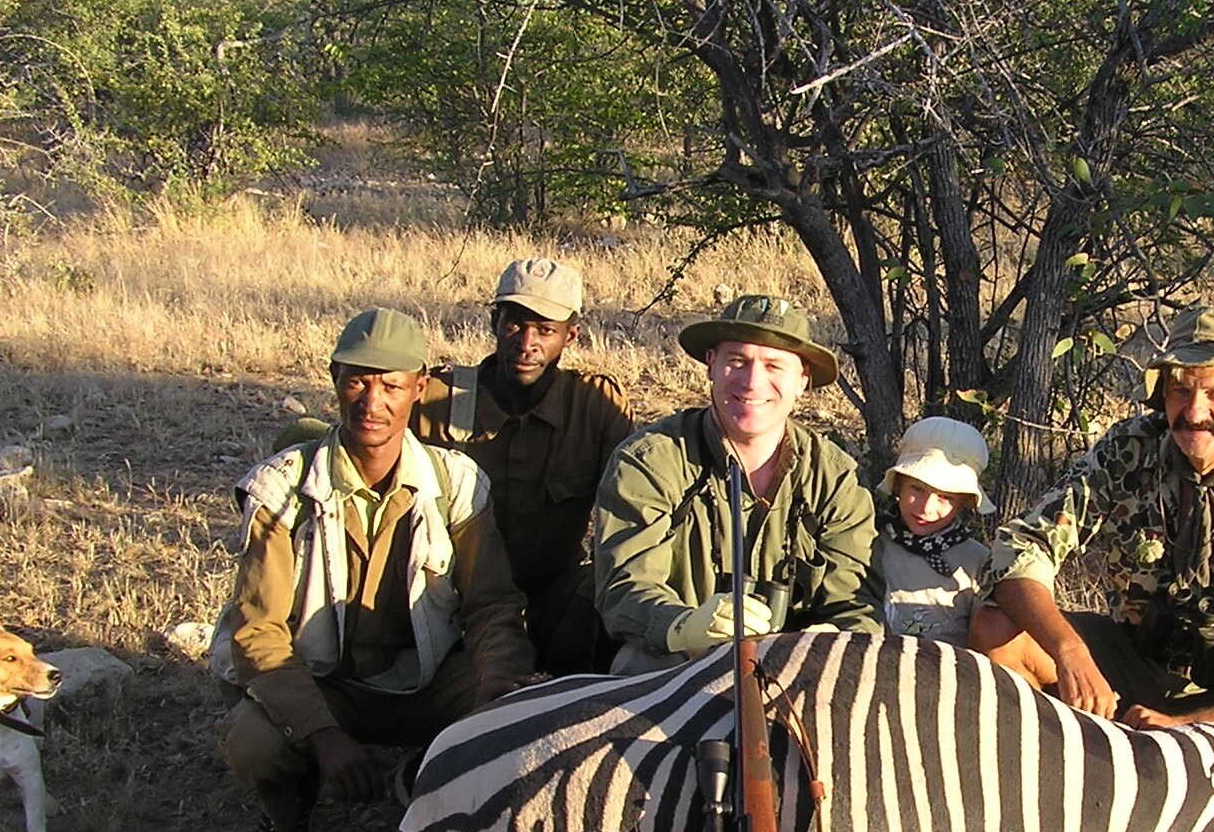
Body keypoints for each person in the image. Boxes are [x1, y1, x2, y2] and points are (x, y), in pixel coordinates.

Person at [971, 304, 1214, 815]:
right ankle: (1039, 805)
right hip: (1132, 658)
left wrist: (1190, 725)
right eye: (1180, 391)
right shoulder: (1129, 449)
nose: (1193, 412)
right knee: (995, 627)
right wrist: (1071, 651)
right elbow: (1019, 549)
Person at [212, 307, 537, 832]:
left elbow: (492, 607)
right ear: (334, 380)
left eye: (391, 385)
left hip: (431, 678)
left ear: (419, 389)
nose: (372, 402)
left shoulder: (455, 481)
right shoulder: (283, 487)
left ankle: (450, 814)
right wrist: (325, 736)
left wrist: (494, 697)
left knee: (522, 718)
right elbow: (257, 633)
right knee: (254, 742)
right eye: (358, 381)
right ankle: (287, 817)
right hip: (329, 681)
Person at [593, 293, 881, 670]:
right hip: (681, 662)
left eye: (774, 366)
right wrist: (682, 626)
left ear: (802, 381)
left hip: (797, 666)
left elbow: (855, 601)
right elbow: (624, 587)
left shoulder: (834, 477)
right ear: (711, 365)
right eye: (737, 361)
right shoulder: (651, 460)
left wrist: (830, 639)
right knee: (637, 663)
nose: (752, 382)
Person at [415, 257, 634, 673]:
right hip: (453, 601)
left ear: (572, 335)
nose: (526, 342)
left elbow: (626, 515)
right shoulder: (437, 402)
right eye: (514, 324)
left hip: (552, 597)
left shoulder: (594, 406)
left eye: (545, 330)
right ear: (494, 322)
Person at [873, 416, 994, 645]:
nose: (926, 508)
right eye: (917, 489)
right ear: (898, 484)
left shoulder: (978, 563)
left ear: (964, 501)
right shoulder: (870, 542)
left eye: (945, 497)